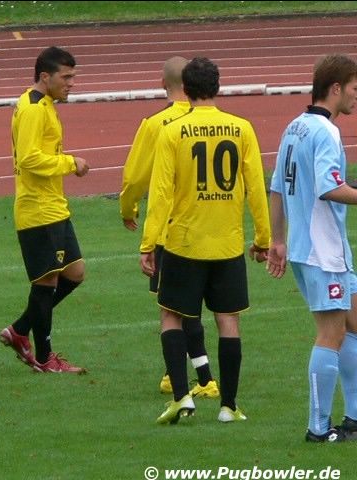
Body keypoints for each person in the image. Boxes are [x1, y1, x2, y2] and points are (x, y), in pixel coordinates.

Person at [140, 57, 270, 424]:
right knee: (228, 320)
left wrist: (148, 243)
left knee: (171, 314)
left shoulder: (172, 132)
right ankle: (228, 405)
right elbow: (256, 188)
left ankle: (182, 396)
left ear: (185, 88)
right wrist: (263, 237)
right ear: (217, 87)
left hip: (183, 243)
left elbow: (160, 193)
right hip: (227, 244)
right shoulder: (241, 129)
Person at [267, 54, 357, 443]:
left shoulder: (295, 126)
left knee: (353, 325)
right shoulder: (326, 132)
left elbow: (276, 187)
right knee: (332, 334)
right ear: (336, 88)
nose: (356, 96)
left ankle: (354, 418)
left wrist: (278, 240)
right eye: (354, 88)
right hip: (323, 251)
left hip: (310, 249)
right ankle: (318, 428)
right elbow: (329, 187)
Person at [120, 56, 219, 399]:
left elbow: (134, 177)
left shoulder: (156, 124)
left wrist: (128, 209)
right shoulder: (212, 121)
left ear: (163, 83)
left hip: (169, 230)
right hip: (210, 226)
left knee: (174, 307)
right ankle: (186, 374)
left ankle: (200, 379)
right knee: (190, 305)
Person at [0, 46, 90, 374]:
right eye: (66, 77)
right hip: (38, 210)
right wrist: (70, 163)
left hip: (54, 207)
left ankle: (20, 330)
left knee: (74, 273)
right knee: (46, 283)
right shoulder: (34, 109)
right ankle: (45, 357)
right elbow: (29, 159)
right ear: (45, 76)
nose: (71, 83)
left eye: (73, 77)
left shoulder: (42, 103)